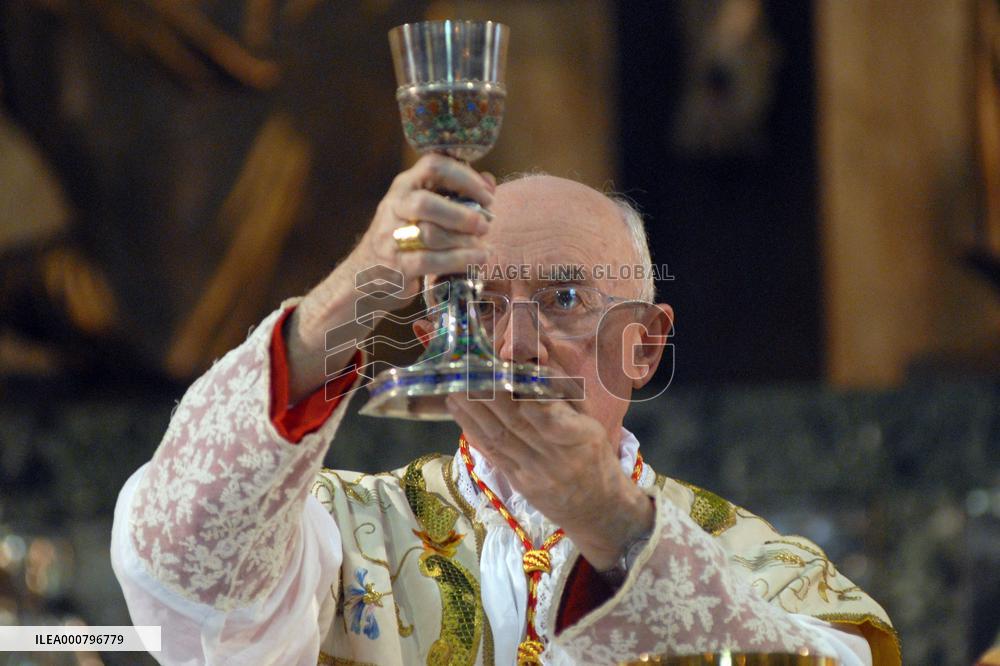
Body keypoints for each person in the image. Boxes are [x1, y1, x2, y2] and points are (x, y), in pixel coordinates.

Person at [111, 155, 898, 665]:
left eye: (562, 298)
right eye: (480, 306)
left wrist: (616, 529)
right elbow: (183, 575)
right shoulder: (335, 537)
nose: (517, 345)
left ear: (646, 346)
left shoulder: (768, 576)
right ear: (433, 343)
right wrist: (362, 283)